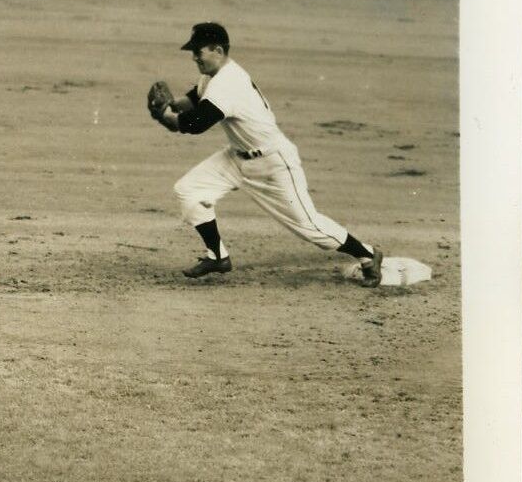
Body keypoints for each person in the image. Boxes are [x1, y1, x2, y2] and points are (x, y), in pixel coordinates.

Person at [152, 22, 384, 286]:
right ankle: (217, 256)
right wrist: (171, 106)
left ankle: (368, 255)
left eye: (198, 51)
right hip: (237, 159)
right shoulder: (213, 75)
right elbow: (194, 99)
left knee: (310, 227)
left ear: (217, 50)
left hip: (273, 164)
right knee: (189, 190)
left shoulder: (229, 82)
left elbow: (194, 124)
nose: (194, 57)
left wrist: (166, 118)